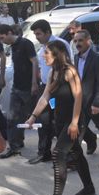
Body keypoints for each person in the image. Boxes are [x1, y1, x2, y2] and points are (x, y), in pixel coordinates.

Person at [24, 40, 94, 195]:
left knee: (58, 153)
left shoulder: (69, 71)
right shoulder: (53, 73)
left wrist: (74, 123)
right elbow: (45, 97)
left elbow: (78, 97)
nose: (42, 55)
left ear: (57, 54)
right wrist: (33, 117)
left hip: (75, 120)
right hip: (61, 120)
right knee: (76, 153)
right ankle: (89, 187)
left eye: (46, 52)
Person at [28, 19, 71, 164]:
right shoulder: (42, 49)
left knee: (60, 122)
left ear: (47, 32)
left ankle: (69, 154)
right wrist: (33, 116)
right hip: (48, 89)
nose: (37, 37)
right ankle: (44, 153)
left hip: (62, 92)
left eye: (39, 34)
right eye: (35, 34)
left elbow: (70, 65)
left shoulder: (60, 45)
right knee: (45, 121)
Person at [73, 30, 99, 168]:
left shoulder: (97, 58)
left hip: (97, 102)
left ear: (88, 41)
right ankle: (90, 142)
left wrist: (97, 103)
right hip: (82, 101)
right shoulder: (75, 57)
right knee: (79, 129)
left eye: (80, 40)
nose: (77, 43)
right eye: (75, 41)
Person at [0, 25, 38, 159]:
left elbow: (34, 62)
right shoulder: (12, 47)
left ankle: (45, 149)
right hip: (16, 87)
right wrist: (2, 77)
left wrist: (34, 83)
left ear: (9, 32)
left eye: (2, 37)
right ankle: (14, 146)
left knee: (35, 117)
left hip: (29, 88)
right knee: (12, 118)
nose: (2, 41)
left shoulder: (26, 43)